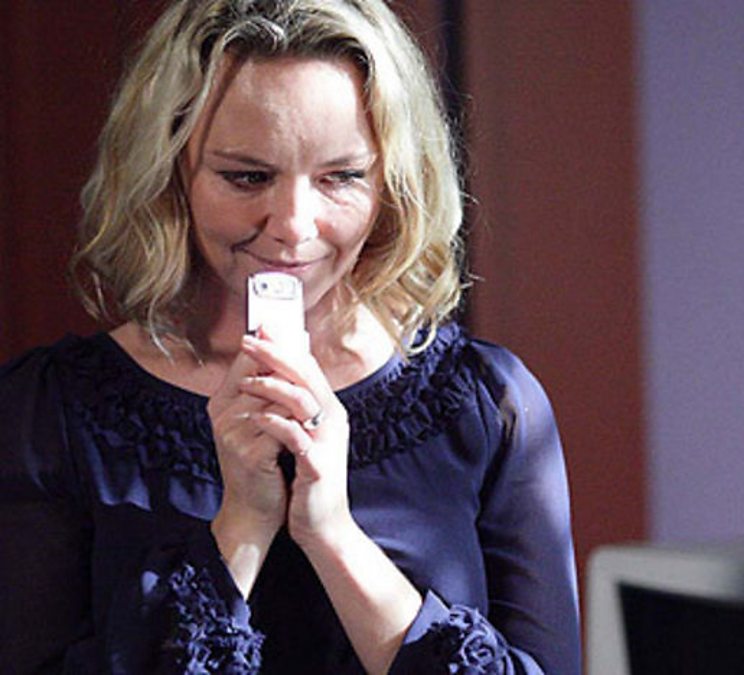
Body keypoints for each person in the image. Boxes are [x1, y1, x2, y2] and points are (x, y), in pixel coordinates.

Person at [0, 0, 580, 673]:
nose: (293, 226)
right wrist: (241, 527)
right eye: (248, 177)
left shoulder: (488, 404)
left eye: (342, 177)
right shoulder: (49, 413)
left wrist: (331, 532)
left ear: (392, 181)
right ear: (170, 171)